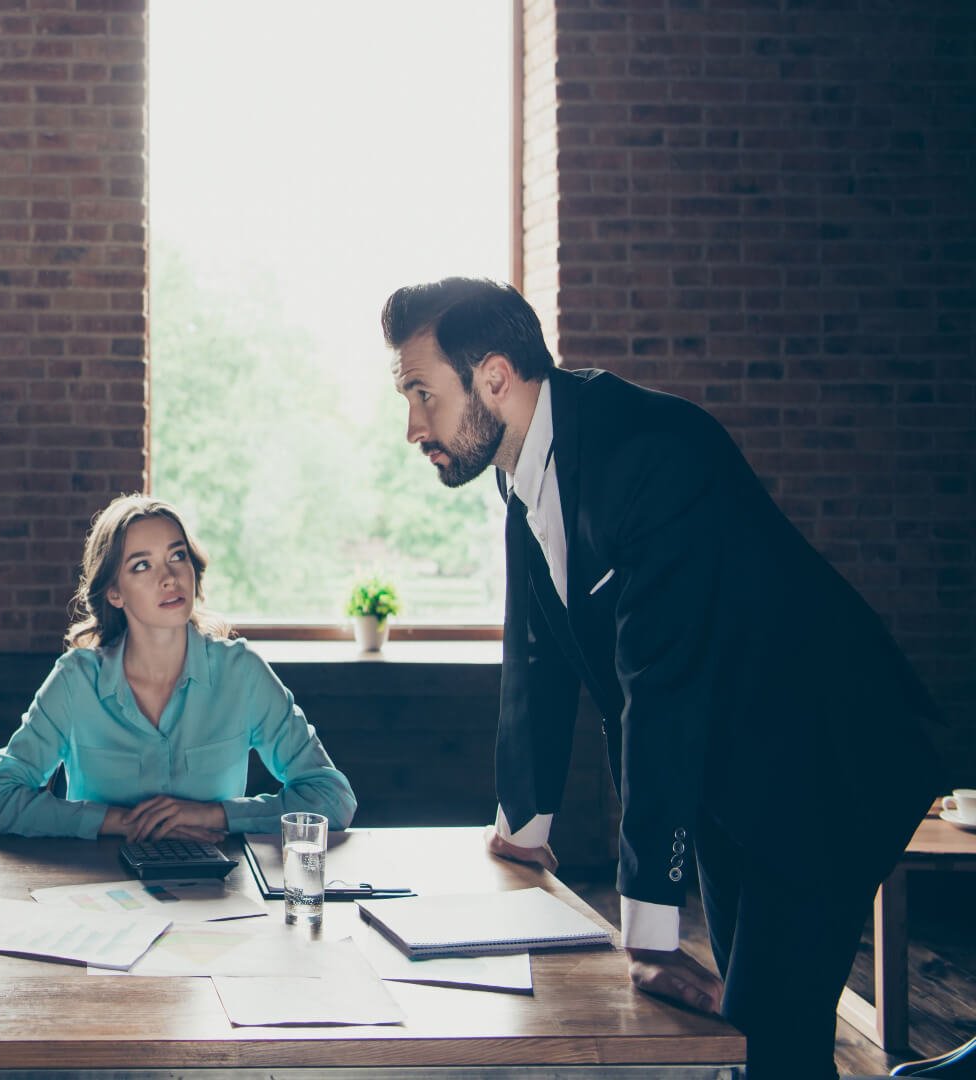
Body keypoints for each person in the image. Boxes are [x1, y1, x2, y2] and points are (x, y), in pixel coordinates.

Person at [382, 276, 941, 1080]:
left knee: (773, 1046)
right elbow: (536, 656)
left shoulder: (649, 452)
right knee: (746, 1037)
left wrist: (646, 933)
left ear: (494, 378)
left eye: (422, 394)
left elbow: (661, 682)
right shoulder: (522, 474)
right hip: (720, 779)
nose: (412, 426)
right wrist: (522, 828)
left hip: (828, 766)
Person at [0, 494, 355, 840]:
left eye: (177, 556)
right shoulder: (76, 680)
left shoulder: (241, 672)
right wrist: (122, 822)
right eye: (142, 565)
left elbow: (332, 798)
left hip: (216, 895)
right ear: (115, 592)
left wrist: (211, 816)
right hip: (101, 893)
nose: (169, 578)